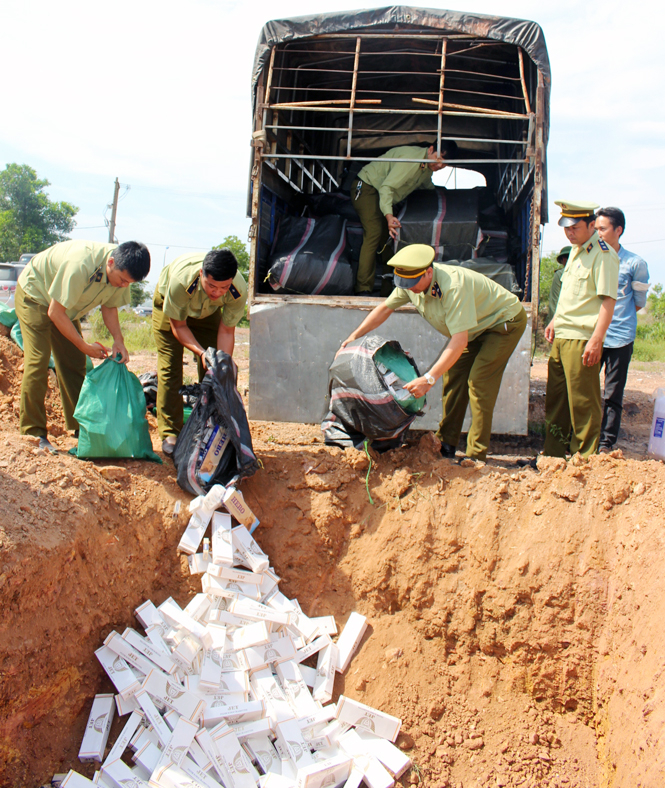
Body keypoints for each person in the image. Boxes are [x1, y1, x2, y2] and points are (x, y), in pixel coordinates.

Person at [339, 244, 527, 462]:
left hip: (502, 323)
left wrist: (428, 378)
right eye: (404, 284)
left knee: (479, 382)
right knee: (453, 377)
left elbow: (459, 340)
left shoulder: (453, 286)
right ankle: (446, 443)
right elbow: (385, 309)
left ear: (429, 272)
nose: (409, 289)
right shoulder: (410, 283)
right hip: (474, 329)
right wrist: (354, 336)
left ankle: (476, 455)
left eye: (412, 283)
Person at [15, 240, 151, 452]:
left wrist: (118, 340)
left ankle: (82, 427)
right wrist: (83, 345)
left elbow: (110, 307)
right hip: (36, 296)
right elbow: (54, 312)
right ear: (111, 262)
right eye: (122, 280)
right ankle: (33, 433)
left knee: (75, 363)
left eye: (129, 283)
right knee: (38, 361)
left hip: (64, 308)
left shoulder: (119, 274)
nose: (124, 286)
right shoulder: (80, 264)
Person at [153, 248, 247, 456]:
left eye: (223, 287)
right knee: (170, 369)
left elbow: (226, 330)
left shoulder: (238, 290)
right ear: (201, 274)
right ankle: (170, 432)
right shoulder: (180, 282)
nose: (216, 292)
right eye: (211, 285)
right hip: (171, 312)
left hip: (208, 313)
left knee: (215, 371)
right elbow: (178, 326)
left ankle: (212, 426)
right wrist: (200, 352)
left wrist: (222, 366)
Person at [543, 201, 619, 458]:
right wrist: (555, 319)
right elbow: (569, 291)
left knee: (583, 403)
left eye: (575, 227)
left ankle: (584, 459)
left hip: (581, 337)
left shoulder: (603, 254)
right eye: (566, 228)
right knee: (556, 402)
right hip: (563, 334)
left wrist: (597, 340)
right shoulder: (576, 250)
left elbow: (608, 300)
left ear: (591, 226)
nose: (569, 233)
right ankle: (553, 457)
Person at [351, 141, 457, 295]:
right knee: (374, 233)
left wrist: (448, 198)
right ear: (431, 150)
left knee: (388, 240)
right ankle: (363, 289)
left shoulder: (426, 169)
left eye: (444, 165)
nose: (439, 166)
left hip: (380, 195)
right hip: (366, 188)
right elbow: (386, 188)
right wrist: (389, 216)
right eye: (439, 159)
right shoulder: (411, 160)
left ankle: (389, 289)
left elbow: (427, 187)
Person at [595, 207, 650, 452]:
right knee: (583, 388)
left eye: (602, 229)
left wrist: (617, 318)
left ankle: (606, 442)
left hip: (620, 337)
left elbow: (638, 301)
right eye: (595, 228)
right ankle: (581, 438)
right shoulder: (593, 257)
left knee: (613, 393)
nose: (598, 233)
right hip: (592, 336)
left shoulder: (635, 263)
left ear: (618, 230)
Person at [547, 245, 571, 324]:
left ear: (564, 260)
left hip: (562, 322)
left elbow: (554, 302)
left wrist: (552, 323)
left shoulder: (560, 274)